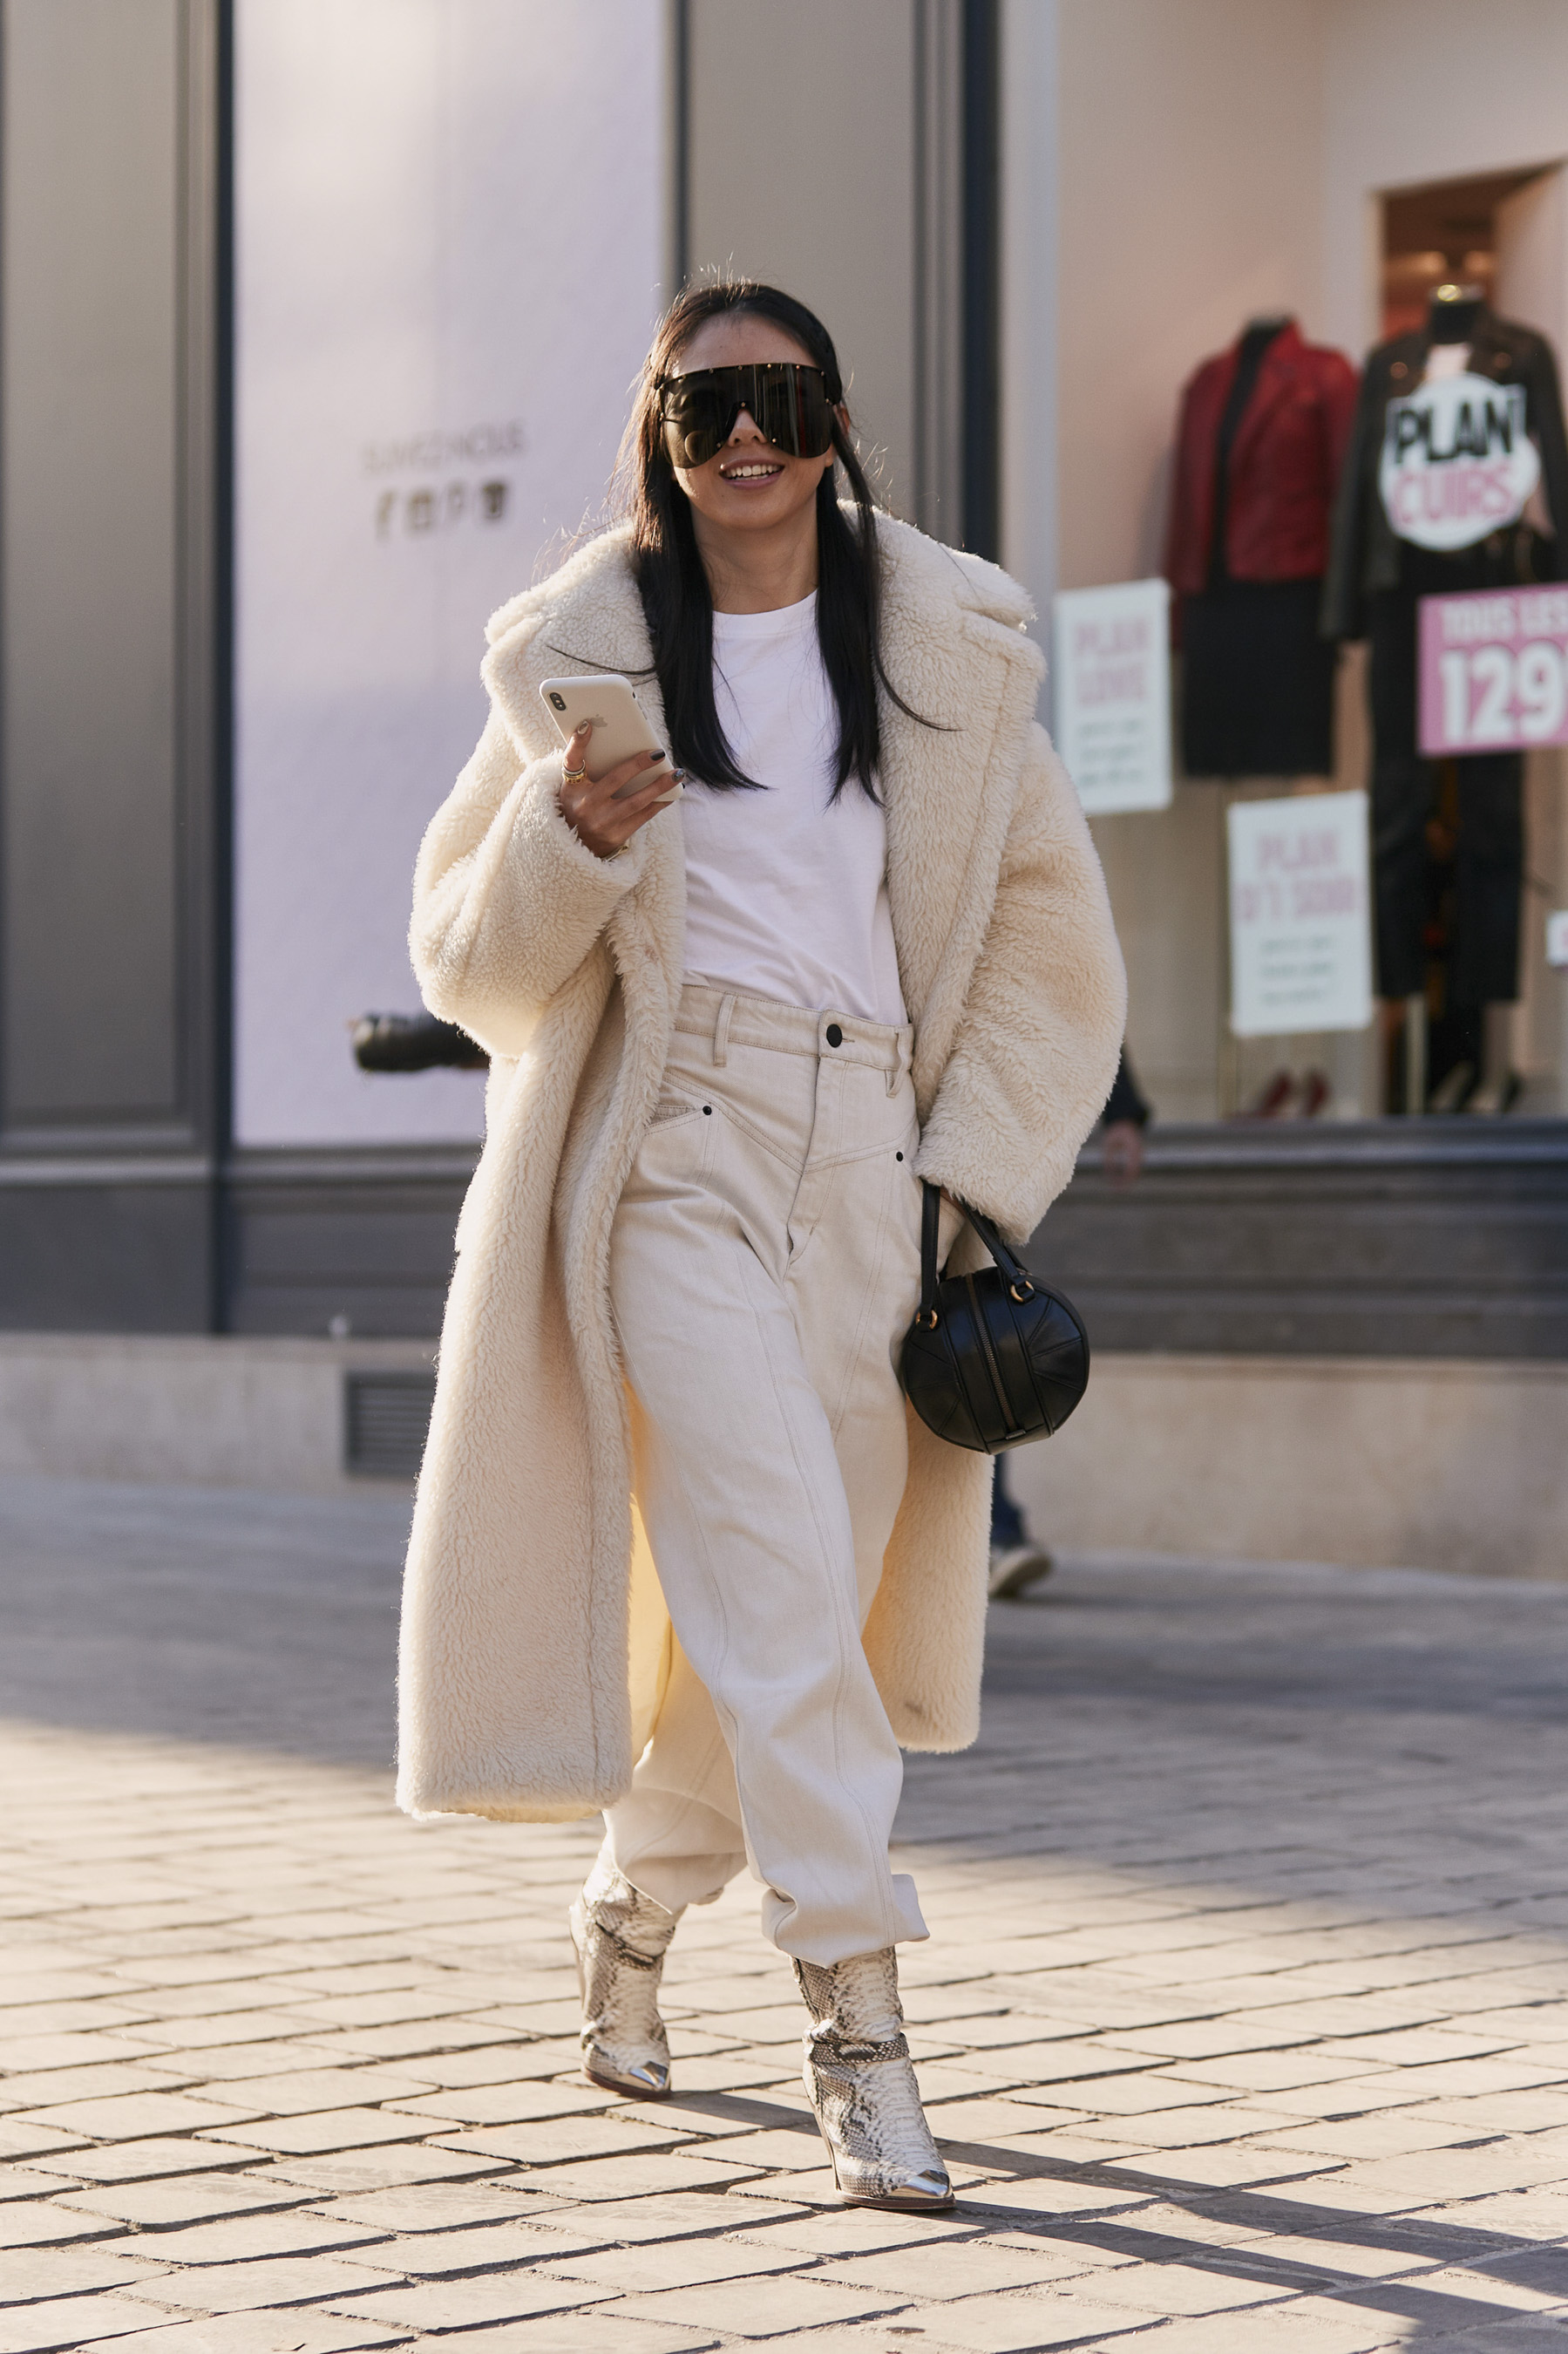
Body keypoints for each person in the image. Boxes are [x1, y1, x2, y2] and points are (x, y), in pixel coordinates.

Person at [396, 282, 1124, 2213]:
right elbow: (461, 961)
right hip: (677, 1152)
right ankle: (858, 2022)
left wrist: (966, 1178)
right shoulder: (581, 657)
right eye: (704, 400)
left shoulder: (943, 641)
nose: (744, 433)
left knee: (770, 1618)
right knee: (778, 1577)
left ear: (827, 417)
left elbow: (1054, 947)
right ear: (658, 426)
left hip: (877, 1169)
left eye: (777, 395)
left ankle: (627, 1924)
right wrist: (568, 837)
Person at [988, 1050, 1150, 1599]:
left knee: (984, 1339)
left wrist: (1120, 1109)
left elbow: (1076, 975)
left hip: (973, 1134)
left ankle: (994, 1532)